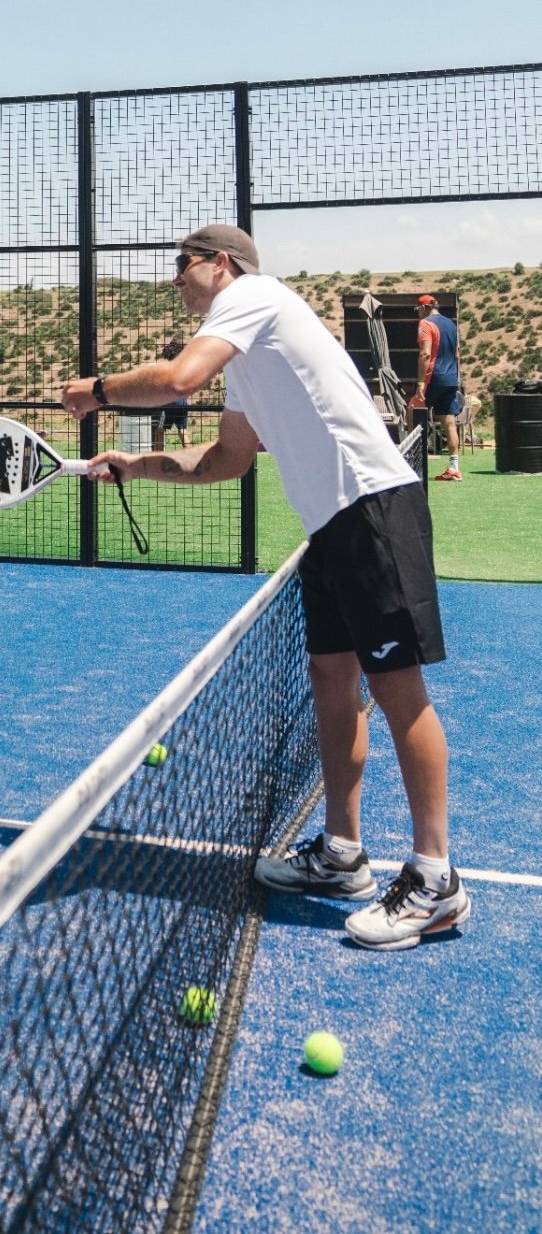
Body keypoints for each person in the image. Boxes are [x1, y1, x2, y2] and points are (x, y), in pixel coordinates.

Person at [62, 224, 469, 953]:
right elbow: (227, 458)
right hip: (331, 525)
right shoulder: (246, 353)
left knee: (398, 689)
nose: (177, 280)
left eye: (184, 265)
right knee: (331, 680)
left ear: (222, 264)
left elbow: (177, 380)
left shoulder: (253, 297)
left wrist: (96, 392)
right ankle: (342, 855)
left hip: (372, 509)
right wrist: (134, 464)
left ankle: (436, 879)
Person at [413, 294, 463, 482]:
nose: (417, 313)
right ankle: (454, 468)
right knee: (449, 422)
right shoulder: (451, 325)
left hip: (432, 377)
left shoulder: (425, 323)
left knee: (413, 412)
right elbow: (457, 354)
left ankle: (415, 465)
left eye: (417, 309)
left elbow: (425, 354)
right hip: (451, 379)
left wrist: (420, 383)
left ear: (423, 308)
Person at [151, 339, 190, 451]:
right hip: (182, 402)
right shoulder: (183, 368)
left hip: (168, 403)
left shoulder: (166, 368)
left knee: (160, 430)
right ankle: (190, 454)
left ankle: (157, 456)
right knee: (183, 430)